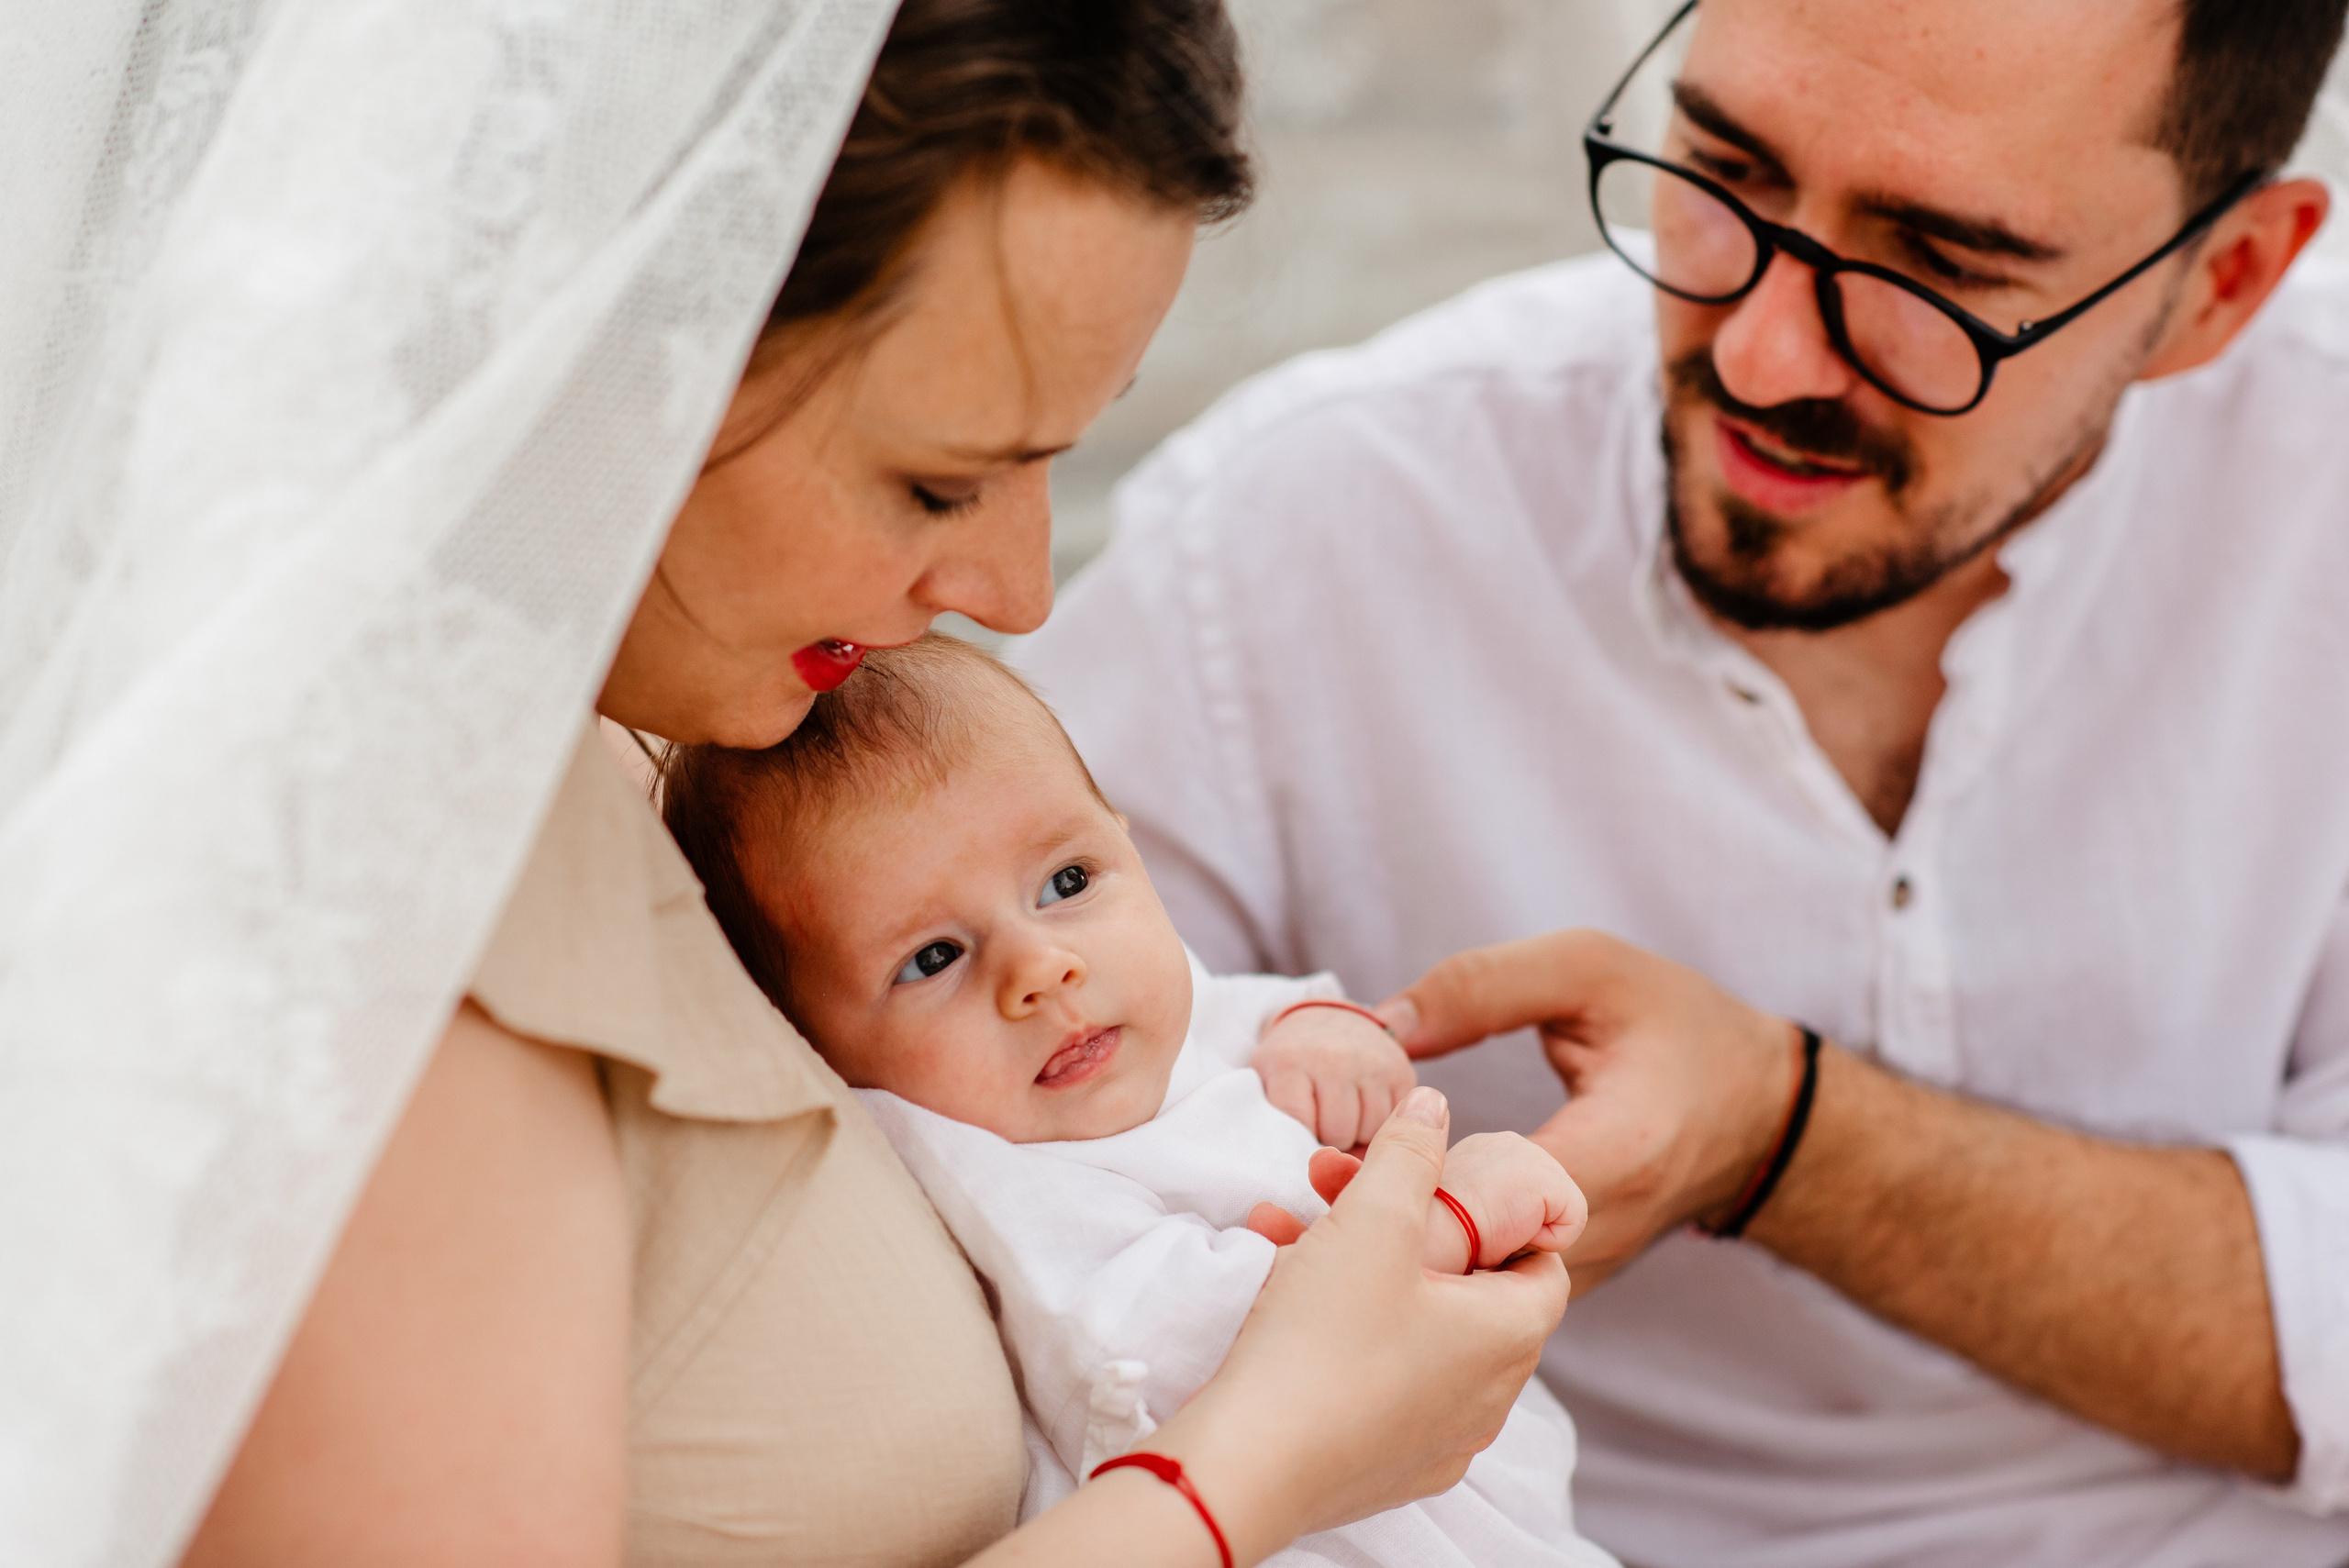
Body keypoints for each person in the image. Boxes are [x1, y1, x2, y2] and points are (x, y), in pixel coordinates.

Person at [176, 5, 1571, 1565]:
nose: (1021, 587)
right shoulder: (386, 949)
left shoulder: (672, 709)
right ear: (634, 331)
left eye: (1059, 456)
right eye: (942, 479)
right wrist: (1262, 1462)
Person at [1012, 0, 2349, 1562]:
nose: (1763, 348)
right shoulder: (1291, 540)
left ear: (2226, 280)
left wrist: (1785, 1135)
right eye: (1725, 171)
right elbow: (966, 1145)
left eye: (1942, 263)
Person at [654, 632, 1612, 1568]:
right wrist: (1445, 1223)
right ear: (819, 1047)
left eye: (1066, 879)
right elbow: (1173, 1350)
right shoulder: (978, 1165)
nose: (1041, 964)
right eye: (932, 957)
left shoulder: (1121, 1006)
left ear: (1125, 842)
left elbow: (1246, 1009)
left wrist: (1321, 1025)